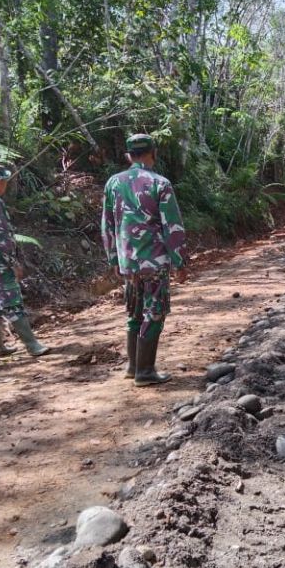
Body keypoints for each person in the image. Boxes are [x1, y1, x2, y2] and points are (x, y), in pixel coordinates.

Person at [101, 134, 188, 386]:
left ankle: (132, 366)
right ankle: (145, 371)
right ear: (153, 152)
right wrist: (180, 261)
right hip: (155, 261)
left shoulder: (113, 183)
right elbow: (172, 226)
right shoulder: (160, 183)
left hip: (128, 263)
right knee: (155, 310)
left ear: (129, 155)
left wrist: (113, 259)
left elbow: (107, 225)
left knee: (135, 311)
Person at [0, 164, 49, 358]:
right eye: (5, 181)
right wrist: (12, 262)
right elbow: (1, 236)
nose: (6, 185)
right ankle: (32, 346)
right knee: (12, 303)